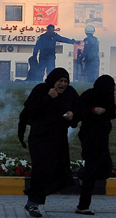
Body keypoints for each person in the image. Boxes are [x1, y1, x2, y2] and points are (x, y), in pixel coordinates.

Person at [18, 68, 79, 217]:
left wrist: (73, 114)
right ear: (53, 81)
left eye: (65, 81)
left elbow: (79, 108)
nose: (63, 84)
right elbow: (30, 109)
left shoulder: (70, 93)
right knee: (41, 170)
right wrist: (48, 97)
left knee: (59, 171)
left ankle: (36, 199)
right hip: (40, 138)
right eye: (60, 81)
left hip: (58, 139)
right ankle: (33, 204)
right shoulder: (42, 90)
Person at [75, 75, 116, 215]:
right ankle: (83, 206)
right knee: (91, 171)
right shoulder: (89, 95)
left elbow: (112, 112)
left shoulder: (109, 96)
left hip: (103, 138)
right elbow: (79, 111)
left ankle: (81, 174)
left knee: (106, 169)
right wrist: (94, 110)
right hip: (90, 137)